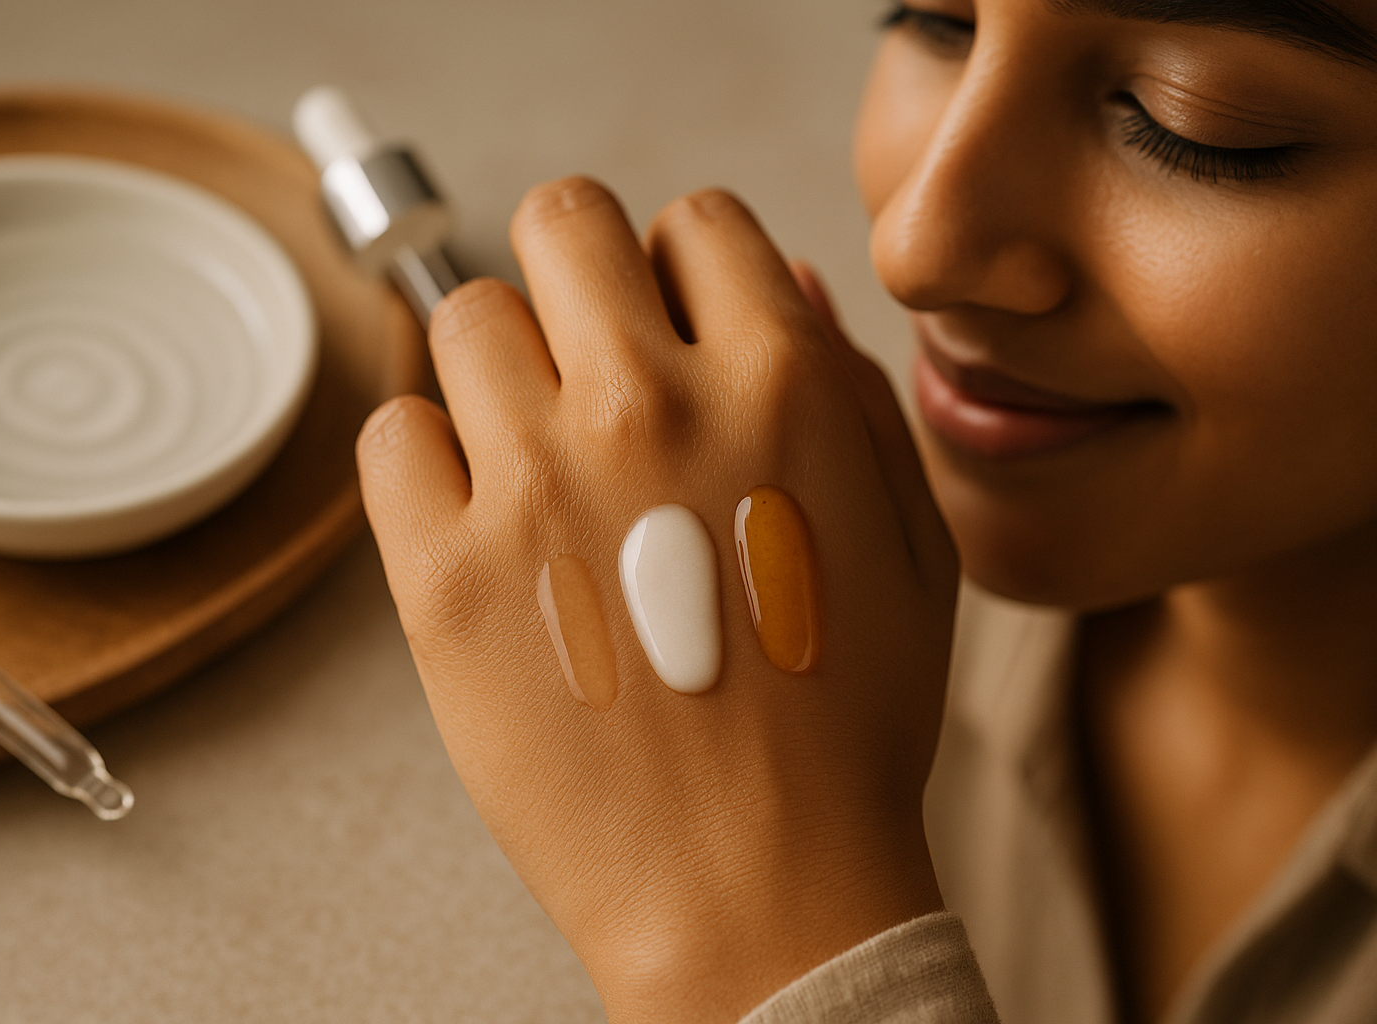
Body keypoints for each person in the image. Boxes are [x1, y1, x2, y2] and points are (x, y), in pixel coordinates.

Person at [353, 0, 1377, 1021]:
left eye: (1195, 124)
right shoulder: (835, 582)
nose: (913, 247)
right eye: (935, 22)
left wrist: (754, 935)